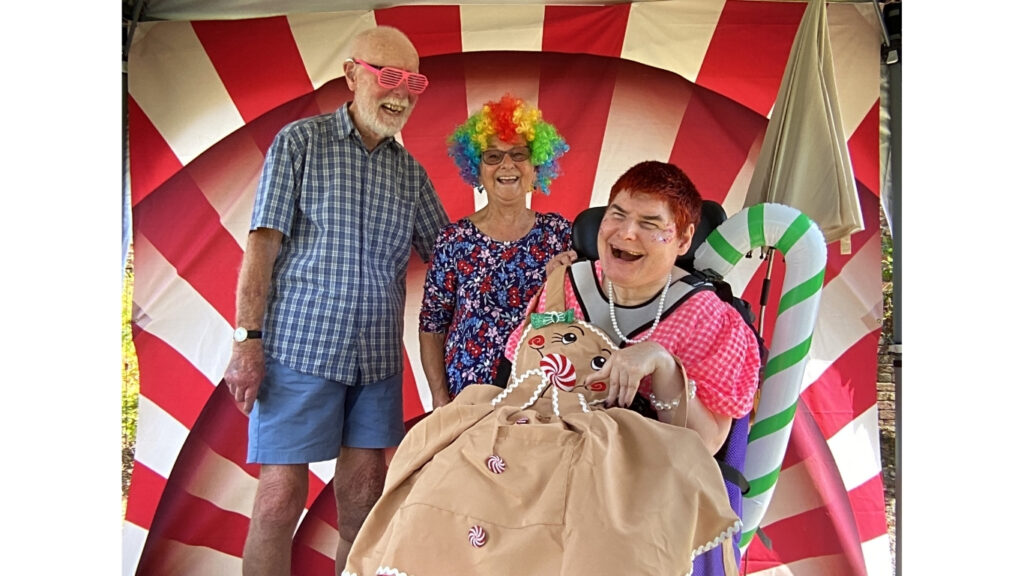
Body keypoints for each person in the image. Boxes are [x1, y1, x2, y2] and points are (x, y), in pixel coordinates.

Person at [223, 26, 449, 576]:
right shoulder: (300, 143)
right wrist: (247, 341)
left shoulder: (411, 174)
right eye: (388, 75)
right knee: (278, 501)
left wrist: (522, 242)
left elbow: (451, 258)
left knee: (365, 502)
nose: (401, 93)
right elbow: (261, 245)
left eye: (413, 82)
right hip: (298, 349)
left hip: (375, 361)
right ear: (351, 75)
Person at [417, 94, 573, 409]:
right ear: (476, 168)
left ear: (536, 167)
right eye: (492, 156)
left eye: (519, 153)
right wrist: (440, 400)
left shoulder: (560, 235)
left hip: (542, 396)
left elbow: (576, 318)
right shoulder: (454, 239)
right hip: (467, 399)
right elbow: (432, 326)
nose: (507, 164)